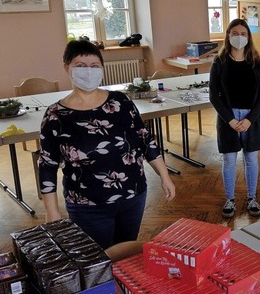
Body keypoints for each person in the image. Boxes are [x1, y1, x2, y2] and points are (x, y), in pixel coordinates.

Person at [38, 40, 176, 249]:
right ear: (67, 68)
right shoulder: (56, 116)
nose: (88, 71)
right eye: (81, 66)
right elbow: (47, 165)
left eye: (94, 66)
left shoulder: (121, 102)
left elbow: (145, 139)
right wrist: (52, 211)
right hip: (88, 206)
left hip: (133, 196)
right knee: (97, 264)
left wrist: (164, 176)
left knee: (126, 256)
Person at [209, 19, 260, 218]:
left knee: (251, 159)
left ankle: (252, 198)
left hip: (251, 118)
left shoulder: (256, 61)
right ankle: (230, 199)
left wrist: (250, 119)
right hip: (229, 119)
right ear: (228, 35)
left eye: (243, 33)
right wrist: (230, 120)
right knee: (229, 160)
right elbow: (213, 95)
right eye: (235, 33)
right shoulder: (219, 62)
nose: (239, 37)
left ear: (248, 37)